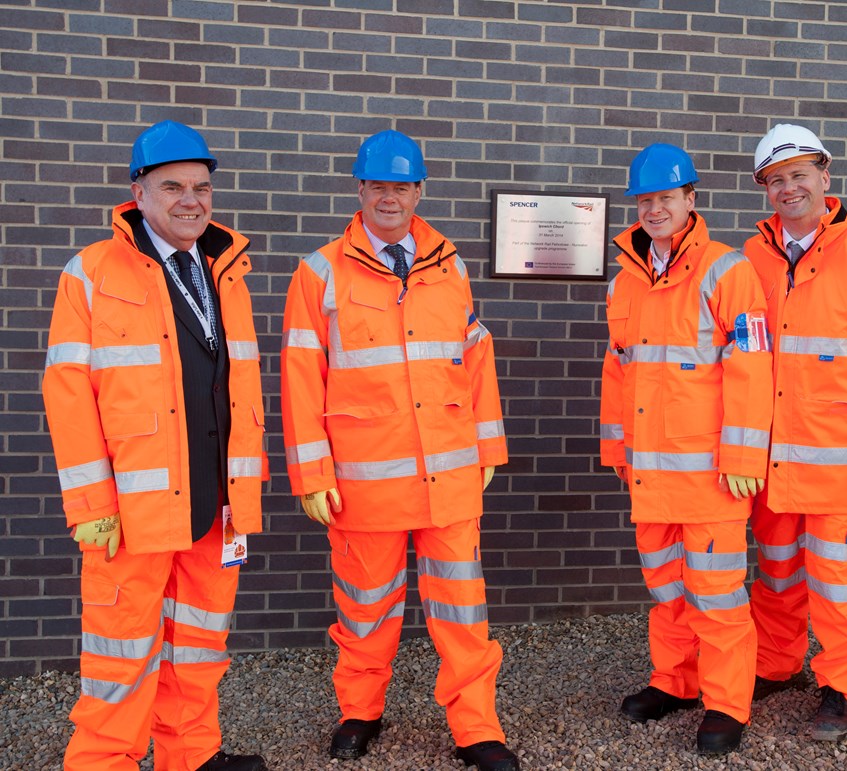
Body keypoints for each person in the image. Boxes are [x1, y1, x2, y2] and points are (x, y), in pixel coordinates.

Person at [279, 130, 518, 771]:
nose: (391, 196)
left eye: (402, 185)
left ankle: (477, 729)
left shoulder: (451, 265)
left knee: (463, 612)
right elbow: (301, 376)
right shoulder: (321, 271)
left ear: (419, 190)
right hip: (364, 479)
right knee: (365, 610)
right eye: (378, 185)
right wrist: (310, 472)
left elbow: (475, 360)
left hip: (449, 474)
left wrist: (487, 444)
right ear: (359, 190)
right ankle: (360, 713)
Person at [43, 120, 269, 771]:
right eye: (172, 186)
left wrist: (243, 494)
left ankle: (189, 754)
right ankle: (104, 762)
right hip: (131, 507)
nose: (190, 200)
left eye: (201, 186)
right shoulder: (91, 272)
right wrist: (91, 503)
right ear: (137, 191)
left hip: (213, 501)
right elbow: (68, 394)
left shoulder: (226, 269)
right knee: (120, 652)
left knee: (198, 644)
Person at [599, 143, 773, 755]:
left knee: (718, 595)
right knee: (667, 588)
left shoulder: (728, 271)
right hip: (649, 471)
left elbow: (752, 367)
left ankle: (728, 702)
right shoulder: (627, 281)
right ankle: (675, 681)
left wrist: (746, 457)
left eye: (666, 198)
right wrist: (616, 448)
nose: (654, 210)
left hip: (711, 475)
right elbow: (618, 370)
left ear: (690, 200)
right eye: (645, 201)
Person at [743, 124, 847, 742]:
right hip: (773, 458)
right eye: (776, 180)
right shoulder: (750, 258)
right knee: (778, 573)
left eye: (800, 174)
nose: (790, 188)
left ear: (826, 178)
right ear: (766, 191)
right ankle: (776, 663)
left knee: (844, 583)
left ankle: (844, 688)